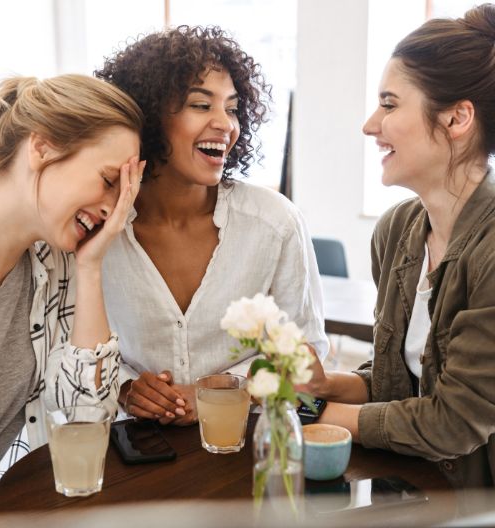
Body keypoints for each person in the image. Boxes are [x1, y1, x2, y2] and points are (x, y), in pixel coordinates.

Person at [298, 4, 495, 487]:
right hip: (410, 489)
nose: (370, 124)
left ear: (457, 118)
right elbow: (401, 381)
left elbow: (452, 421)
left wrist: (317, 412)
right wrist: (328, 385)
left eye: (389, 104)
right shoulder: (396, 231)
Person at [95, 25, 329, 426]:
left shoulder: (274, 223)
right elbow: (67, 340)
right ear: (149, 117)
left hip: (248, 443)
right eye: (201, 106)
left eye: (233, 108)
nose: (226, 124)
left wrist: (221, 389)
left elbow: (307, 357)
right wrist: (126, 387)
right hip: (134, 452)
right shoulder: (99, 228)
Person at [0, 73, 144, 518]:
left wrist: (90, 268)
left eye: (124, 195)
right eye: (108, 181)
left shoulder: (56, 263)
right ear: (42, 146)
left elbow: (84, 421)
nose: (112, 212)